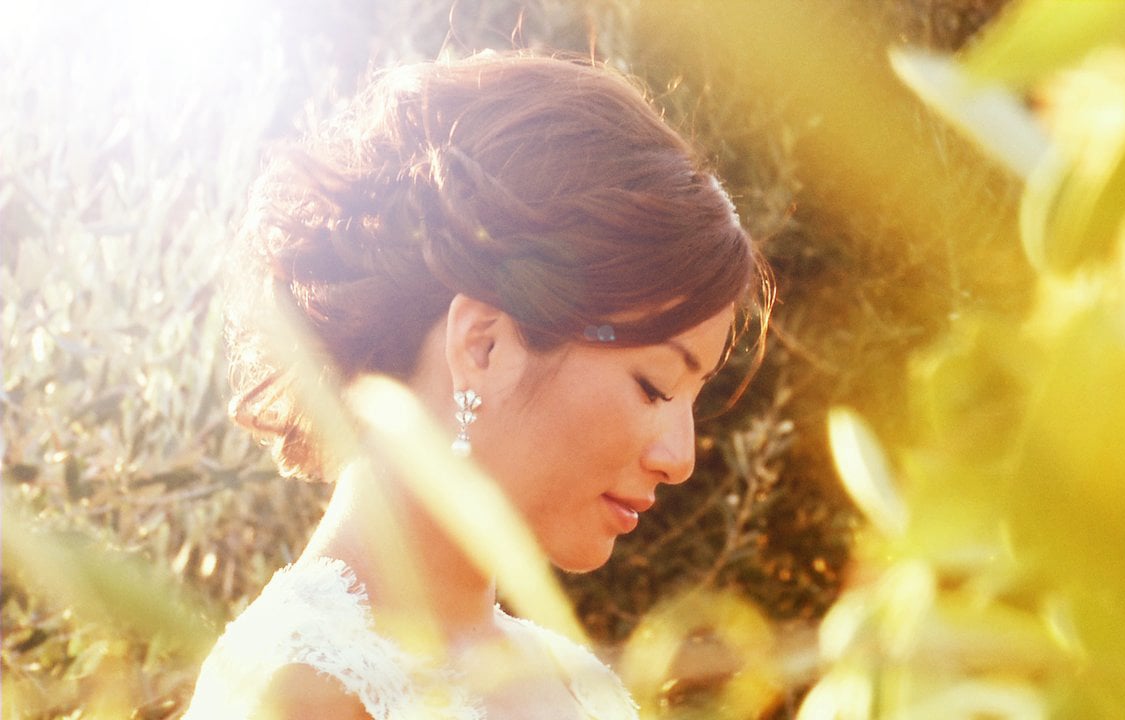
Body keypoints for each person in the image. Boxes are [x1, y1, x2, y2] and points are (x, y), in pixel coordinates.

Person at [183, 51, 771, 719]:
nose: (681, 457)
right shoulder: (297, 688)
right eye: (655, 385)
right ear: (483, 345)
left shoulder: (579, 681)